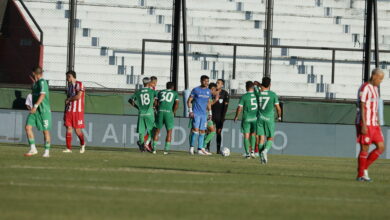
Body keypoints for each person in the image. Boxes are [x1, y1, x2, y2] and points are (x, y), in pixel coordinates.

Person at [355, 68, 385, 182]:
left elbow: (376, 106)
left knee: (381, 147)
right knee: (365, 148)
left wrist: (377, 120)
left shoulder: (376, 88)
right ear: (374, 76)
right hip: (365, 122)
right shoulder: (365, 88)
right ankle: (360, 175)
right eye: (380, 78)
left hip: (374, 123)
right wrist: (363, 124)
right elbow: (361, 106)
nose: (380, 81)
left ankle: (363, 169)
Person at [24, 67, 52, 158]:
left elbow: (43, 94)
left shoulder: (42, 82)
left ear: (34, 73)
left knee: (45, 131)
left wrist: (35, 106)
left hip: (43, 111)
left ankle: (47, 151)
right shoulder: (35, 84)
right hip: (34, 110)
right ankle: (33, 149)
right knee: (28, 127)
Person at [255, 77, 282, 164]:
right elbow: (278, 108)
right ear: (270, 85)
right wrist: (279, 117)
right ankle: (265, 151)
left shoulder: (258, 93)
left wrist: (259, 85)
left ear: (262, 84)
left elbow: (256, 86)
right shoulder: (273, 95)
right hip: (269, 119)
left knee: (260, 139)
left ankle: (261, 160)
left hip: (260, 118)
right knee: (270, 138)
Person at [129, 77, 158, 152]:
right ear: (149, 83)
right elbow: (156, 101)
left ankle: (141, 145)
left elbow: (130, 100)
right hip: (149, 113)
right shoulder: (152, 91)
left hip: (141, 113)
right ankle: (147, 143)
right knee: (153, 130)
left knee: (141, 130)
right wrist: (154, 106)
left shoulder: (138, 91)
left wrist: (137, 107)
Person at [187, 75, 213, 155]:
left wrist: (210, 113)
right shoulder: (196, 90)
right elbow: (189, 101)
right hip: (196, 113)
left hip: (204, 114)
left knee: (202, 131)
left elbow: (209, 103)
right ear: (201, 81)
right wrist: (190, 111)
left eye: (207, 81)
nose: (206, 83)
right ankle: (191, 147)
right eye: (205, 81)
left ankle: (199, 149)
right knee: (195, 131)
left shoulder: (209, 91)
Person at [152, 82, 179, 154]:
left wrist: (158, 110)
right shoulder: (175, 93)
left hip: (160, 112)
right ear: (173, 87)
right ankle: (166, 150)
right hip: (168, 112)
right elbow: (176, 104)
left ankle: (154, 149)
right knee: (169, 132)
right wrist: (173, 112)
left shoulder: (160, 92)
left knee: (157, 131)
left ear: (166, 86)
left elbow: (156, 103)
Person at [63, 71, 86, 153]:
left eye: (67, 77)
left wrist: (69, 99)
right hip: (69, 110)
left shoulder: (79, 84)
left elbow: (78, 96)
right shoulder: (69, 86)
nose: (66, 79)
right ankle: (68, 148)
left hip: (78, 111)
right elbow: (68, 99)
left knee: (77, 130)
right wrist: (65, 110)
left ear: (70, 76)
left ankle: (83, 144)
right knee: (68, 127)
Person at [234, 81, 258, 159]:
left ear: (246, 87)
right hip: (255, 118)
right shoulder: (257, 95)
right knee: (253, 134)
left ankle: (248, 153)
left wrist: (236, 116)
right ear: (253, 87)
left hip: (247, 118)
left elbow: (239, 108)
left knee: (246, 136)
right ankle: (253, 152)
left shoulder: (244, 96)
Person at [206, 79, 229, 154]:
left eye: (218, 83)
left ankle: (218, 150)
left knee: (218, 132)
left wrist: (223, 118)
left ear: (222, 85)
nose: (217, 84)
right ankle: (207, 148)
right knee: (209, 131)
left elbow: (225, 107)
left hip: (220, 116)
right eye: (216, 82)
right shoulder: (212, 92)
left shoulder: (225, 93)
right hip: (212, 115)